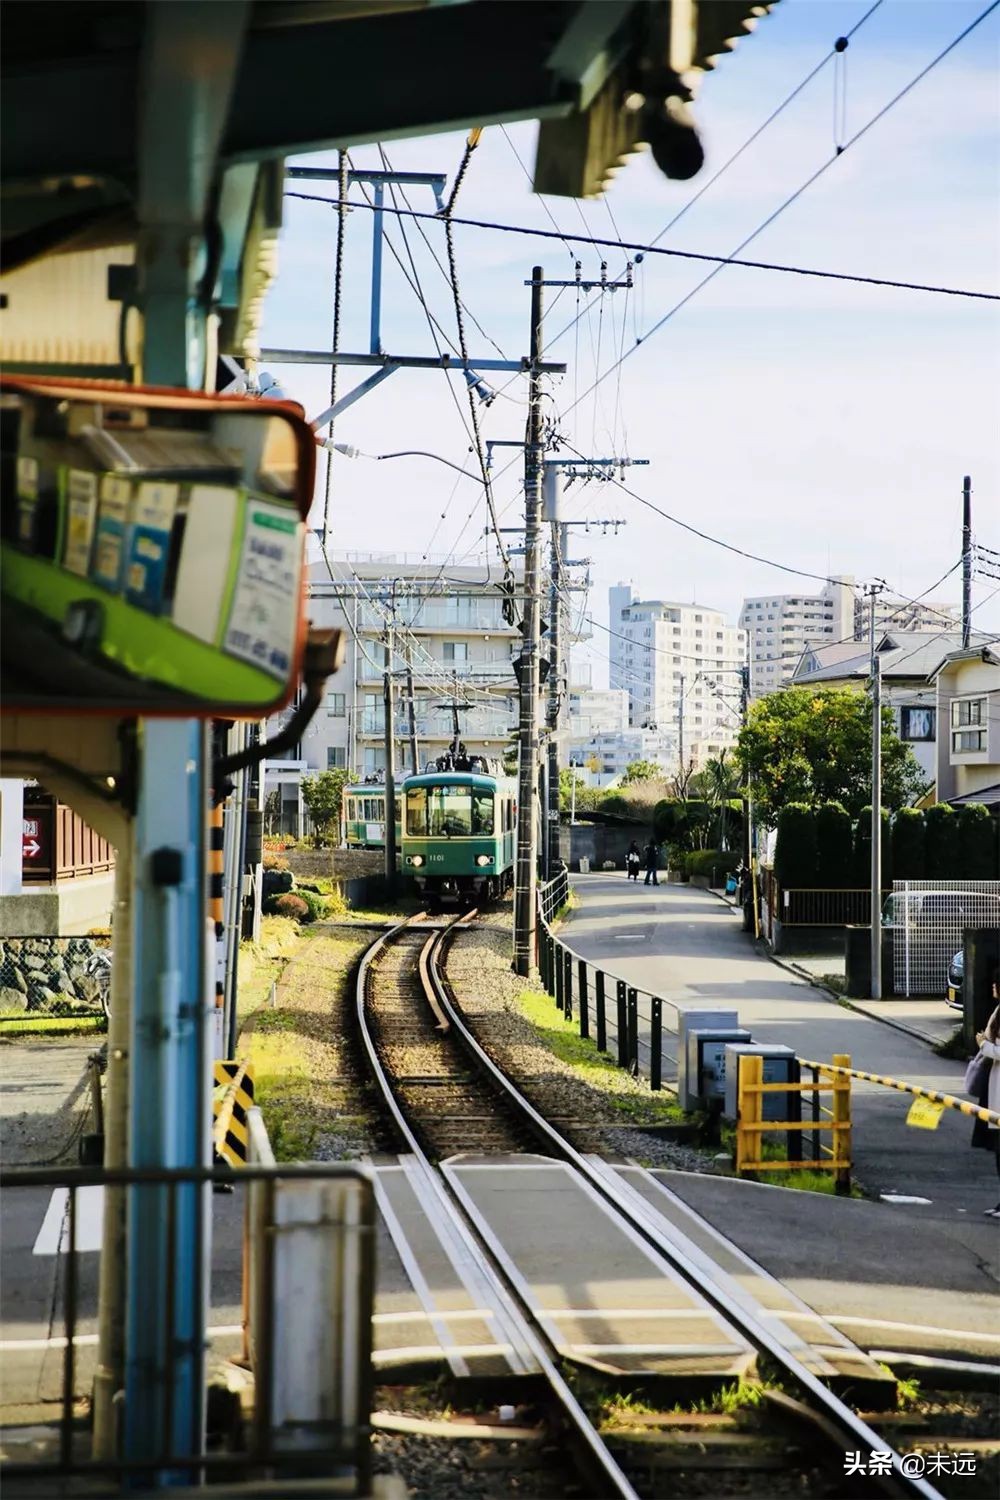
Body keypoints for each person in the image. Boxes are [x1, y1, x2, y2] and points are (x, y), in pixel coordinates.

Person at [971, 971, 1000, 1217]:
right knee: (998, 1151)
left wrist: (983, 1045)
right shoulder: (998, 1010)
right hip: (994, 1087)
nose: (992, 986)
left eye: (996, 983)